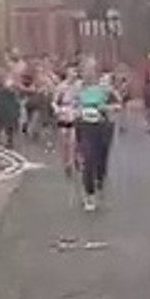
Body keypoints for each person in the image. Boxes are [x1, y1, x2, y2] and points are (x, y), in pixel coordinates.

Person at [74, 58, 119, 212]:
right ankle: (89, 195)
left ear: (96, 72)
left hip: (103, 127)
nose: (88, 73)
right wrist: (74, 110)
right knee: (88, 159)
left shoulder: (105, 88)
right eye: (85, 69)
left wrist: (105, 107)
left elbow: (118, 104)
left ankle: (100, 180)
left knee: (101, 161)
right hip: (85, 127)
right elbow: (69, 104)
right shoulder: (78, 87)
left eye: (91, 69)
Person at [52, 64, 82, 177]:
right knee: (65, 141)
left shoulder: (79, 86)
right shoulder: (61, 86)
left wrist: (80, 109)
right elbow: (54, 101)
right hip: (64, 113)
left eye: (75, 72)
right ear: (67, 73)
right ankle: (66, 163)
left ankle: (74, 160)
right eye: (71, 72)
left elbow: (83, 99)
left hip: (75, 112)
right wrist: (57, 109)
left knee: (73, 140)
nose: (73, 75)